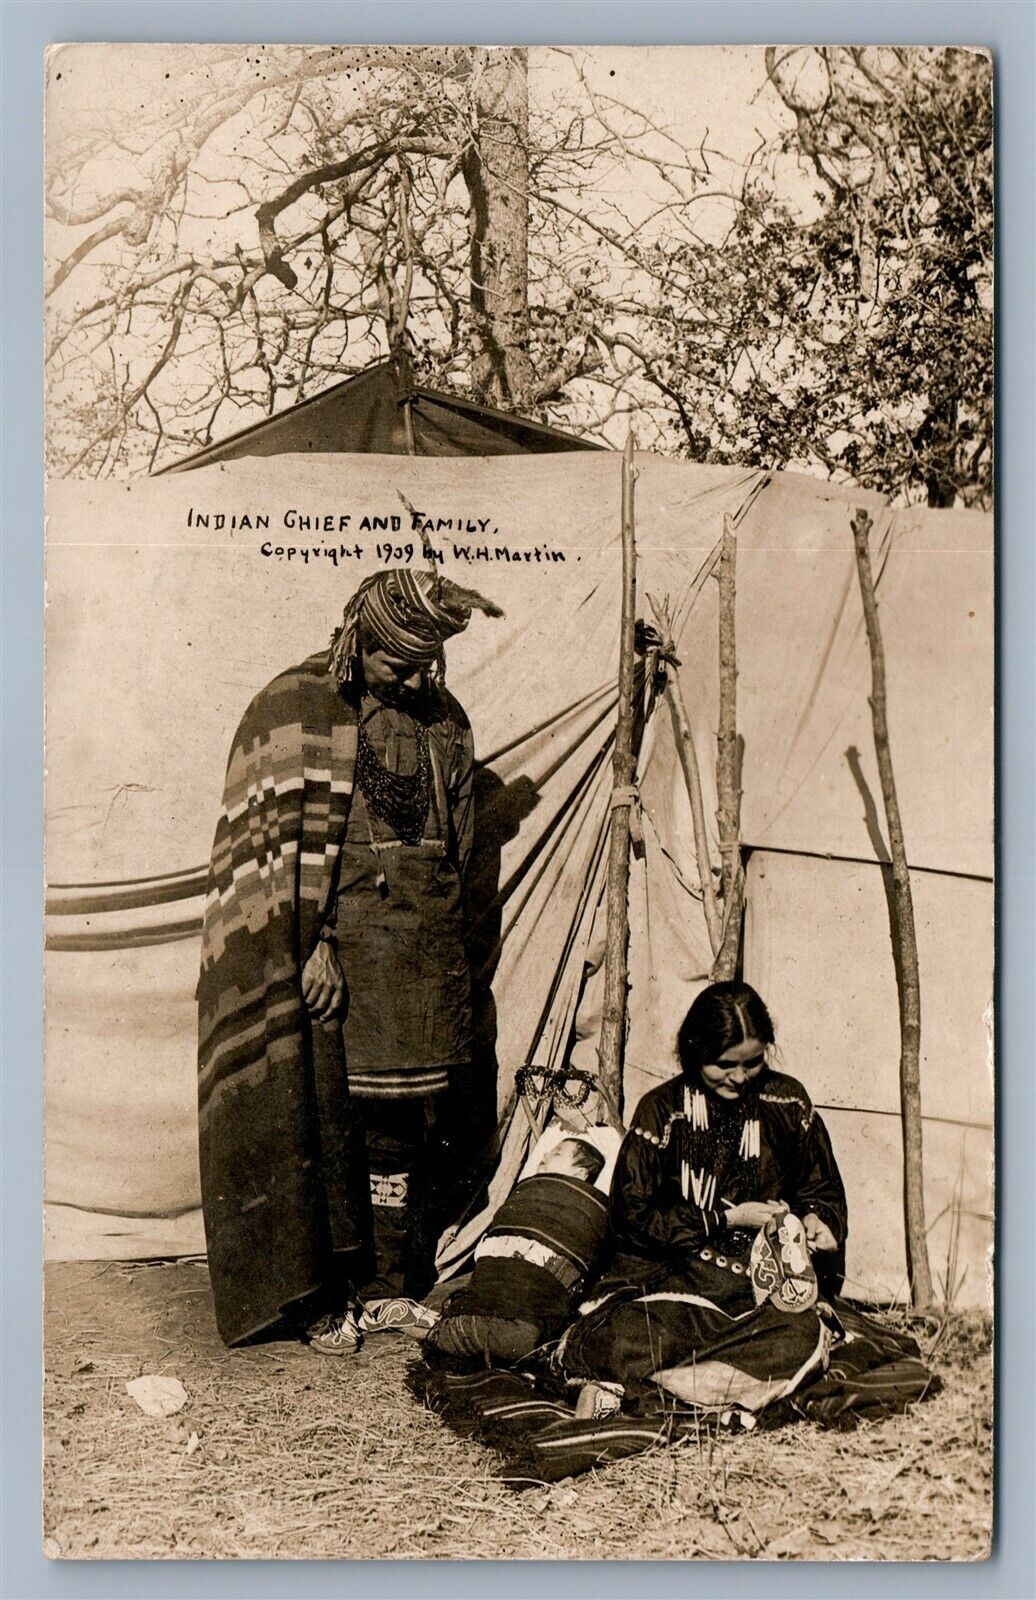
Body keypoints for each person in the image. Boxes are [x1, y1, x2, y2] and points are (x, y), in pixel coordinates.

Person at [197, 567, 502, 1352]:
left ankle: (390, 1285)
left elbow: (463, 845)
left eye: (422, 666)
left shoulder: (447, 722)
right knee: (336, 1117)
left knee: (409, 1118)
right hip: (343, 949)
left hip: (422, 953)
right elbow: (283, 850)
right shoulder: (301, 707)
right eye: (395, 663)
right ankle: (328, 1290)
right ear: (359, 638)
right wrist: (314, 943)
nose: (409, 678)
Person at [557, 981, 849, 1416]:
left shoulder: (787, 1102)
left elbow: (819, 1187)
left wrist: (819, 1220)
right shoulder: (663, 1111)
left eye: (752, 1062)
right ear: (694, 1053)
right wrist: (725, 1221)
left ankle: (655, 1390)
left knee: (798, 1332)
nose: (740, 1077)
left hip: (758, 1290)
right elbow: (632, 1217)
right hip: (671, 1279)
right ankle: (710, 1388)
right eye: (724, 1064)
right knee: (623, 1337)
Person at [424, 1137, 609, 1366]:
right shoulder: (526, 1193)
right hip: (512, 1325)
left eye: (558, 1154)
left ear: (580, 1174)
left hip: (516, 1323)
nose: (546, 1155)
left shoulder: (587, 1209)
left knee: (511, 1333)